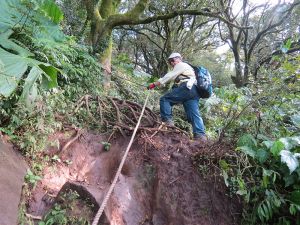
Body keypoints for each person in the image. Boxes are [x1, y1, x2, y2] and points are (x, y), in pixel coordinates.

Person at [148, 52, 207, 141]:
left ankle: (168, 123)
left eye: (173, 60)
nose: (172, 63)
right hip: (195, 91)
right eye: (170, 62)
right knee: (194, 114)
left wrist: (154, 84)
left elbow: (168, 76)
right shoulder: (189, 69)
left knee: (165, 99)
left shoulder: (181, 65)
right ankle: (200, 136)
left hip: (187, 87)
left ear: (179, 58)